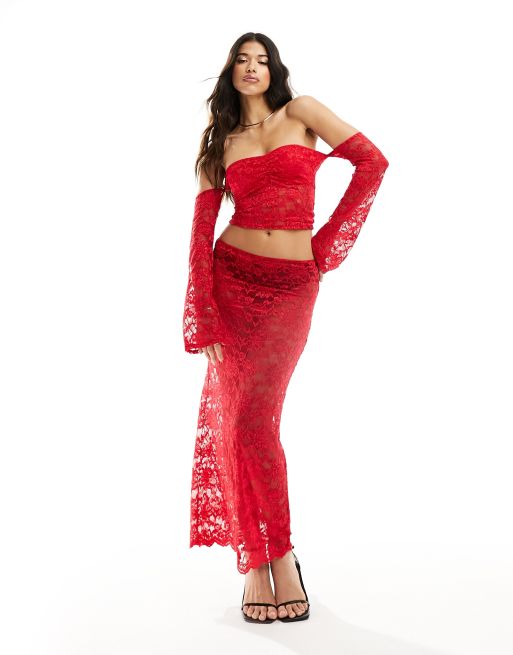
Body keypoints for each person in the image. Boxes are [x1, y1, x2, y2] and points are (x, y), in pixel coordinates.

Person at [182, 32, 389, 624]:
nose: (252, 68)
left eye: (262, 60)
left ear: (274, 69)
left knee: (255, 419)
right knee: (241, 420)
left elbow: (372, 163)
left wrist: (325, 245)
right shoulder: (221, 142)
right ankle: (262, 560)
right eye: (241, 60)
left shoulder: (303, 113)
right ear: (230, 72)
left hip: (291, 289)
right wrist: (202, 312)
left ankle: (278, 552)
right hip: (232, 280)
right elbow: (201, 232)